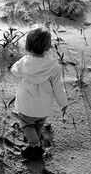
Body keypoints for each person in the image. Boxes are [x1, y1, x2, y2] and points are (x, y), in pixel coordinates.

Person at [10, 27, 68, 159]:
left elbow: (14, 71)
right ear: (47, 47)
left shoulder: (24, 62)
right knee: (39, 124)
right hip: (43, 107)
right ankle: (34, 142)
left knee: (27, 125)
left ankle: (35, 146)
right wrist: (63, 103)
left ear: (28, 45)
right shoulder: (54, 66)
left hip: (27, 105)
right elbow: (58, 87)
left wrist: (16, 65)